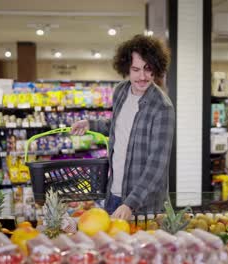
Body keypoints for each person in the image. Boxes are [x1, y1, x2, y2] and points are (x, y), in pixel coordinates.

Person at [71, 35, 174, 220]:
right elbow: (118, 125)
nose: (142, 76)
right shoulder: (120, 91)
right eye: (135, 69)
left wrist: (131, 203)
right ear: (126, 68)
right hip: (114, 194)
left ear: (156, 69)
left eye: (147, 69)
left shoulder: (162, 107)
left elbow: (157, 165)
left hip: (143, 204)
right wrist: (90, 124)